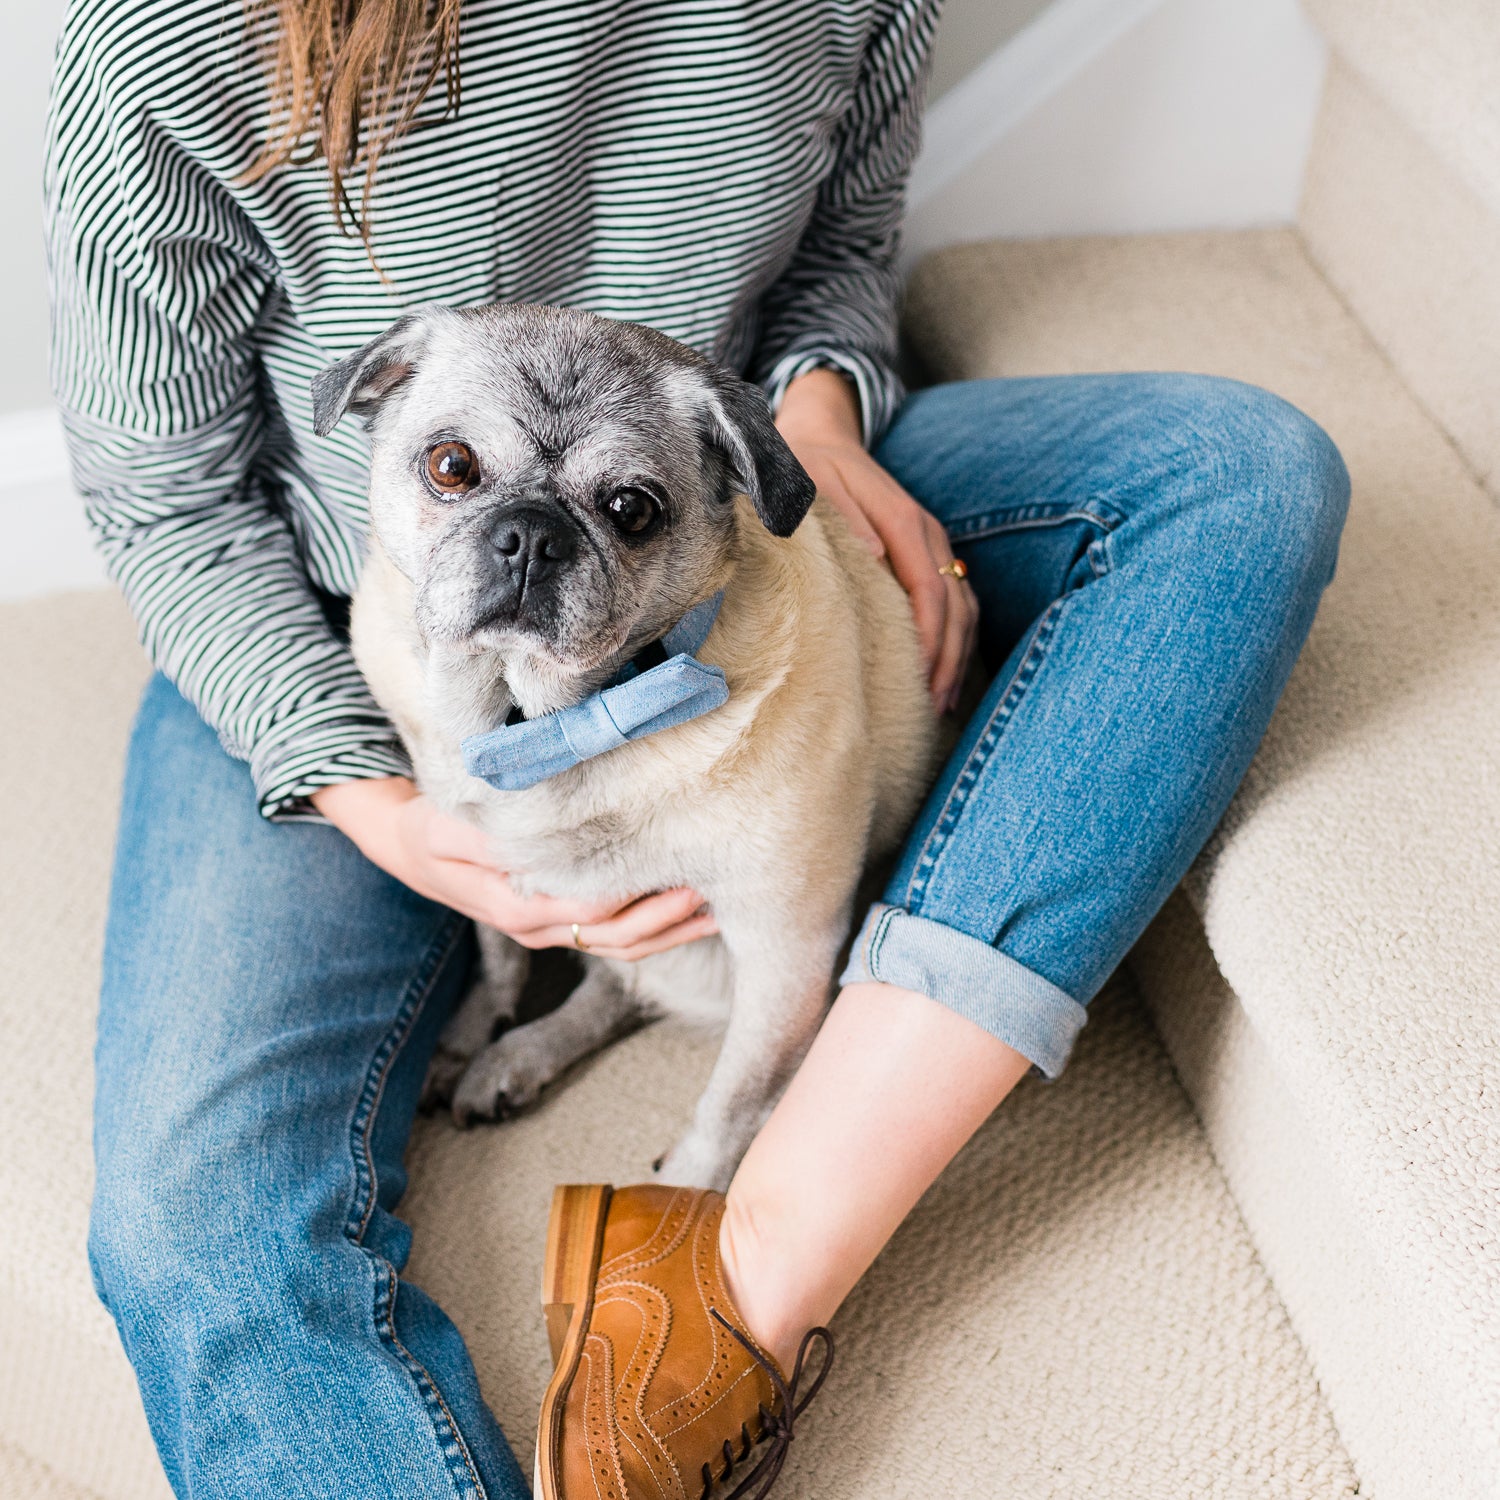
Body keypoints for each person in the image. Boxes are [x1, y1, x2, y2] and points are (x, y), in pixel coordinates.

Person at [46, 0, 1350, 1495]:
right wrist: (374, 798)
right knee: (195, 1224)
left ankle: (763, 1239)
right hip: (343, 612)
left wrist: (822, 432)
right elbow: (167, 500)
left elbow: (839, 263)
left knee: (1235, 475)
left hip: (733, 498)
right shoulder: (171, 34)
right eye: (470, 469)